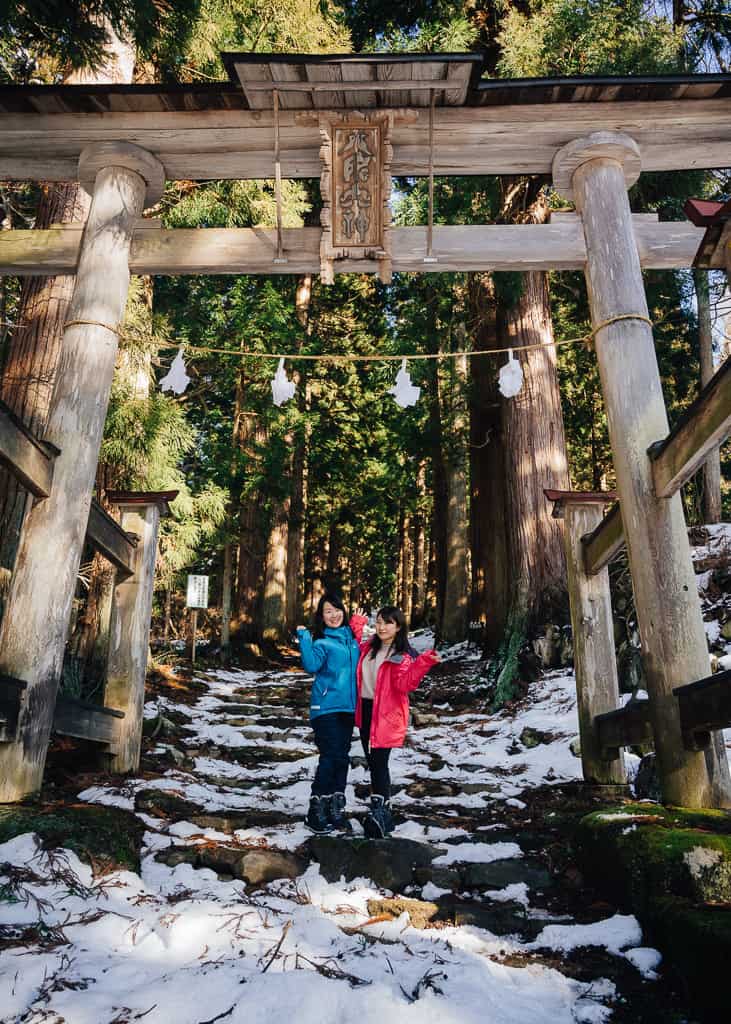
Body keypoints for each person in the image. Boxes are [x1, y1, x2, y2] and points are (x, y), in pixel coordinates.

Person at [355, 606, 439, 838]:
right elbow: (351, 652)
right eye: (380, 622)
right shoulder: (367, 648)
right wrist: (357, 625)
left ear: (398, 627)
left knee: (379, 762)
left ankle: (382, 811)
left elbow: (405, 685)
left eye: (388, 623)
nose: (382, 627)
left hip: (386, 714)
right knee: (372, 762)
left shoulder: (402, 654)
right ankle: (381, 807)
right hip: (366, 709)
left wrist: (423, 663)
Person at [297, 593, 367, 834]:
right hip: (325, 708)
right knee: (330, 756)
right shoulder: (321, 643)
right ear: (321, 616)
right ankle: (315, 809)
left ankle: (335, 807)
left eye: (337, 610)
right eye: (328, 611)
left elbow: (357, 651)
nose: (333, 615)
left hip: (347, 709)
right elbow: (310, 666)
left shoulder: (351, 642)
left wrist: (357, 627)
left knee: (342, 758)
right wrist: (304, 637)